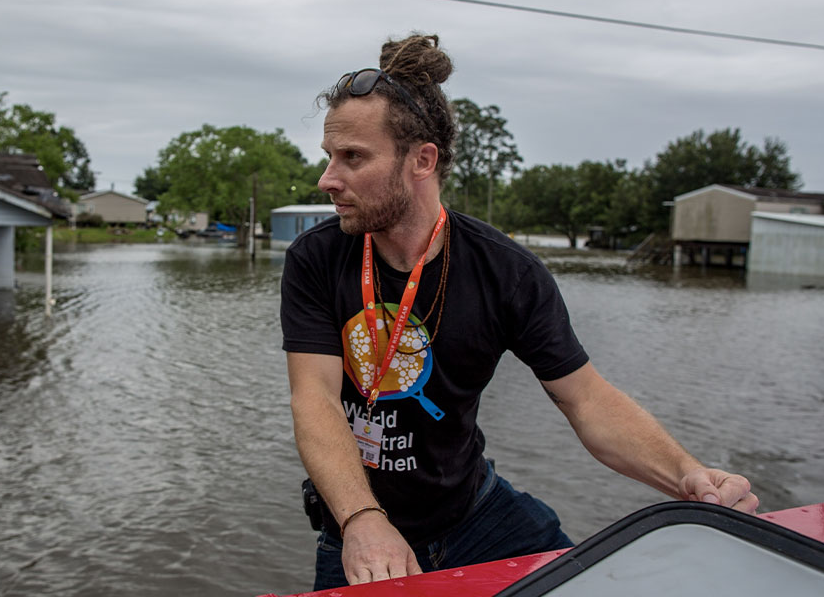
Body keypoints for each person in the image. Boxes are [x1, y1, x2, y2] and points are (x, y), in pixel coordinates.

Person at [280, 33, 758, 591]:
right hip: (358, 525)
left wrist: (688, 474)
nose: (327, 179)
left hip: (475, 515)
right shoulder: (316, 259)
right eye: (329, 157)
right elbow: (314, 401)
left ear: (422, 160)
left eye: (352, 157)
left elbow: (587, 399)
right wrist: (362, 520)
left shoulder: (506, 272)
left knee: (589, 583)